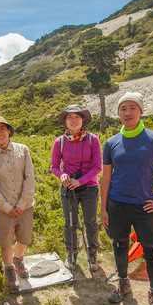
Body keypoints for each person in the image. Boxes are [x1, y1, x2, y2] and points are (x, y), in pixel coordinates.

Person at [100, 92, 153, 305]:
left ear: (141, 111)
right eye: (123, 108)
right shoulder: (111, 143)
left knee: (152, 250)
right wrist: (104, 208)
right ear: (118, 113)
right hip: (117, 204)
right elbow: (106, 179)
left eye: (132, 108)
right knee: (120, 244)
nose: (127, 112)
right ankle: (123, 283)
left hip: (145, 207)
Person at [0, 116, 35, 293]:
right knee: (5, 241)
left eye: (2, 129)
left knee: (24, 238)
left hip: (26, 205)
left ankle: (18, 259)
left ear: (8, 130)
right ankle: (9, 269)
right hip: (2, 209)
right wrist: (7, 207)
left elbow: (30, 179)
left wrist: (21, 204)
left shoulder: (23, 150)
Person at [51, 104, 102, 272]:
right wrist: (62, 175)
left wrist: (81, 181)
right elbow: (54, 167)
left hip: (89, 188)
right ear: (65, 121)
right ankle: (71, 254)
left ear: (83, 120)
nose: (73, 121)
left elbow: (97, 167)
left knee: (91, 223)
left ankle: (92, 253)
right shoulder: (60, 142)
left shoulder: (92, 139)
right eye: (69, 117)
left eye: (77, 117)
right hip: (68, 188)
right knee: (69, 224)